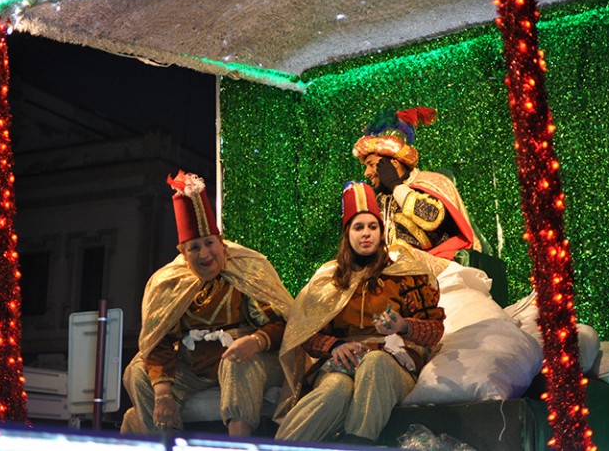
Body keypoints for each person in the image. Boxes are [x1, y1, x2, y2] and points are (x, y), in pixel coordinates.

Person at [121, 170, 293, 436]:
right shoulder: (170, 282)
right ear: (184, 253)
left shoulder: (247, 269)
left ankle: (239, 444)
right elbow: (159, 340)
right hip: (194, 366)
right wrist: (164, 394)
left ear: (222, 244)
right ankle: (164, 441)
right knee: (136, 371)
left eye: (209, 243)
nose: (204, 254)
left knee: (235, 362)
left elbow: (284, 321)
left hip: (254, 356)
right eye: (194, 247)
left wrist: (256, 340)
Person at [275, 181, 444, 444]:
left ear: (381, 231)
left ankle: (358, 445)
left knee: (374, 364)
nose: (366, 234)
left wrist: (403, 325)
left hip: (391, 366)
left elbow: (435, 331)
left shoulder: (405, 275)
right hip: (341, 365)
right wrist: (334, 346)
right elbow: (305, 333)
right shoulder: (330, 280)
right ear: (347, 234)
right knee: (335, 390)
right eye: (358, 227)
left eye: (372, 227)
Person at [352, 106, 483, 261]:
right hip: (391, 273)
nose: (366, 173)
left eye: (372, 164)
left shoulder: (432, 182)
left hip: (440, 270)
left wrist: (396, 186)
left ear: (393, 164)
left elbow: (431, 217)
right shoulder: (380, 200)